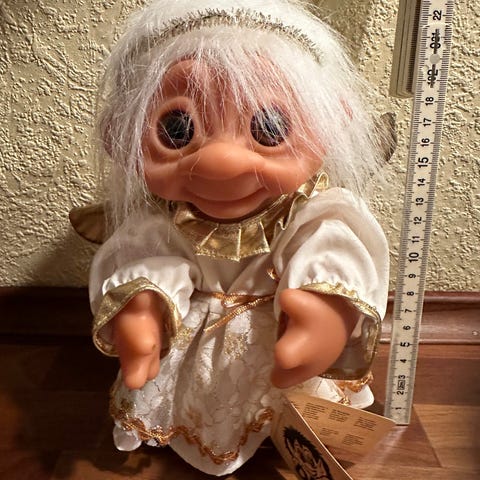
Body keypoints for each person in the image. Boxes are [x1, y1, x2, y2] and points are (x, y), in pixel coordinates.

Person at [86, 0, 389, 475]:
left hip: (277, 333)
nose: (220, 162)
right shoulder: (162, 221)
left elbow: (331, 254)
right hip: (194, 352)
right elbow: (149, 260)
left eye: (270, 128)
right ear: (120, 137)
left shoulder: (310, 213)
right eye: (177, 128)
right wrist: (142, 312)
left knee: (292, 400)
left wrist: (325, 315)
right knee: (199, 405)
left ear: (330, 124)